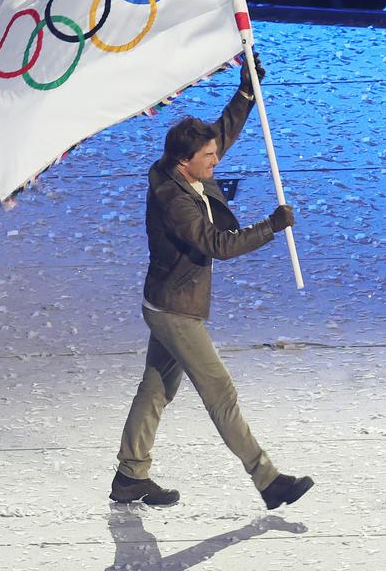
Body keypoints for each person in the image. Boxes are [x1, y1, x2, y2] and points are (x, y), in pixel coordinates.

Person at [111, 55, 314, 510]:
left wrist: (245, 93)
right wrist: (271, 226)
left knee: (157, 389)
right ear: (185, 163)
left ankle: (129, 476)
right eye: (207, 158)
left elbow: (220, 134)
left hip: (168, 301)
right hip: (175, 310)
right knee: (219, 391)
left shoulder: (179, 167)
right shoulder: (175, 201)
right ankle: (268, 480)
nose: (216, 159)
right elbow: (217, 244)